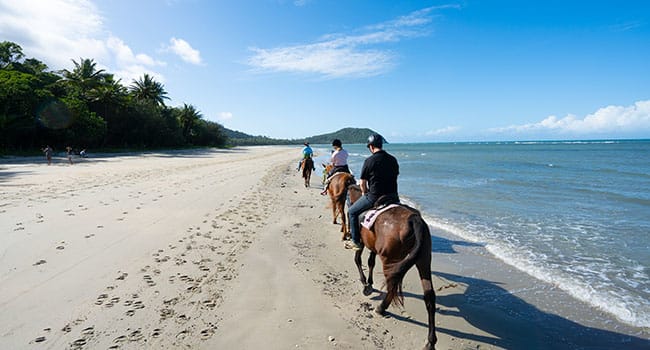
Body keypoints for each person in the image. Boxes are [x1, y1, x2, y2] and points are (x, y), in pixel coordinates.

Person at [345, 133, 399, 250]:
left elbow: (363, 183)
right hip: (393, 197)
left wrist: (364, 193)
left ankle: (355, 242)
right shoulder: (393, 159)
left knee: (352, 212)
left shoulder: (369, 161)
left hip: (375, 197)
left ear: (371, 146)